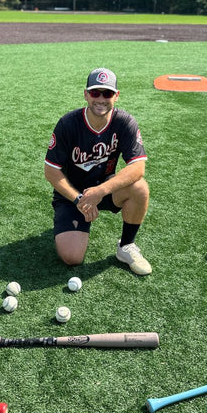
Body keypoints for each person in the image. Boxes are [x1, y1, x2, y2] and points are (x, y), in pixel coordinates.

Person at [44, 68, 151, 275]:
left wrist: (100, 191)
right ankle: (73, 225)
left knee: (139, 188)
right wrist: (79, 200)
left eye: (107, 93)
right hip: (71, 196)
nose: (100, 99)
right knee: (71, 257)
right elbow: (51, 171)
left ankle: (126, 246)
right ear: (86, 94)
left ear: (116, 96)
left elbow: (138, 167)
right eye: (95, 93)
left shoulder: (124, 122)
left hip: (104, 188)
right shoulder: (68, 123)